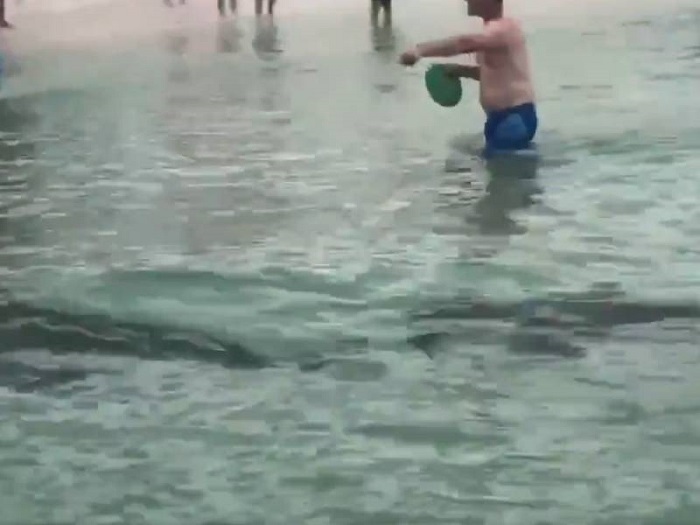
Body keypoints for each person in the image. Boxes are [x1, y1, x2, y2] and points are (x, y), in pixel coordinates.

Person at [399, 0, 537, 155]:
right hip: (499, 118)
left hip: (514, 118)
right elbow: (493, 73)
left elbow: (464, 42)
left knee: (502, 174)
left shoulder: (503, 29)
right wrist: (459, 71)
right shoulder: (489, 34)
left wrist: (420, 50)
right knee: (495, 169)